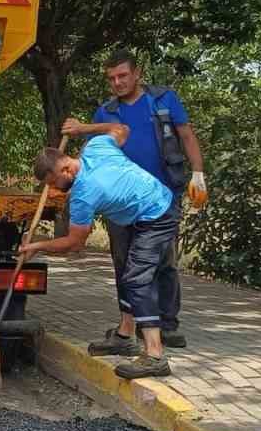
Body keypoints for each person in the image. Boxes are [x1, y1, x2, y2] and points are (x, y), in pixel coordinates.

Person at [69, 51, 208, 357]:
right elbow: (90, 153)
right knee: (124, 262)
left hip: (163, 197)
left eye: (122, 76)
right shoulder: (105, 112)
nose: (117, 83)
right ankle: (128, 328)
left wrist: (197, 173)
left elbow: (186, 135)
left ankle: (166, 325)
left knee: (164, 262)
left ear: (137, 74)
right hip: (121, 203)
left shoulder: (163, 100)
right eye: (111, 78)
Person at [20, 124, 180, 379]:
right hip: (144, 212)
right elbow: (122, 129)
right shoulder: (96, 146)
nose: (52, 189)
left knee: (137, 279)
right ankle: (125, 337)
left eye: (53, 182)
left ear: (65, 169)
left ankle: (155, 356)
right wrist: (83, 129)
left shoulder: (84, 194)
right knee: (128, 274)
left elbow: (74, 243)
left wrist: (36, 246)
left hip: (157, 214)